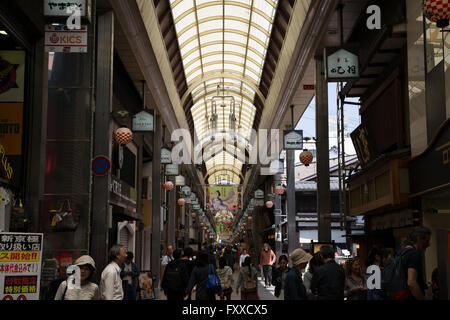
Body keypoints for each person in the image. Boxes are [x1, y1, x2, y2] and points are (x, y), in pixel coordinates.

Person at [399, 227, 431, 300]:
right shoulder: (414, 254)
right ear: (419, 239)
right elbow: (411, 282)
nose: (428, 244)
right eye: (427, 241)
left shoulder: (402, 252)